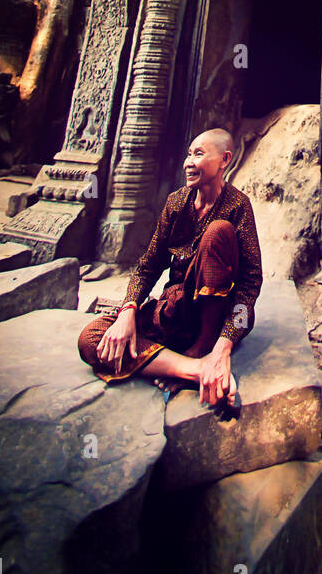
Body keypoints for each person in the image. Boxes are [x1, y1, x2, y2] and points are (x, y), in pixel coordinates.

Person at [77, 128, 262, 411]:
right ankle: (195, 369)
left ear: (224, 160)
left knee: (218, 232)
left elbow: (249, 286)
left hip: (215, 322)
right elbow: (148, 265)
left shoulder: (238, 206)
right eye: (188, 154)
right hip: (175, 312)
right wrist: (127, 311)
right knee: (92, 339)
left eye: (198, 154)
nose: (188, 162)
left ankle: (204, 349)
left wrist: (224, 344)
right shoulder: (176, 203)